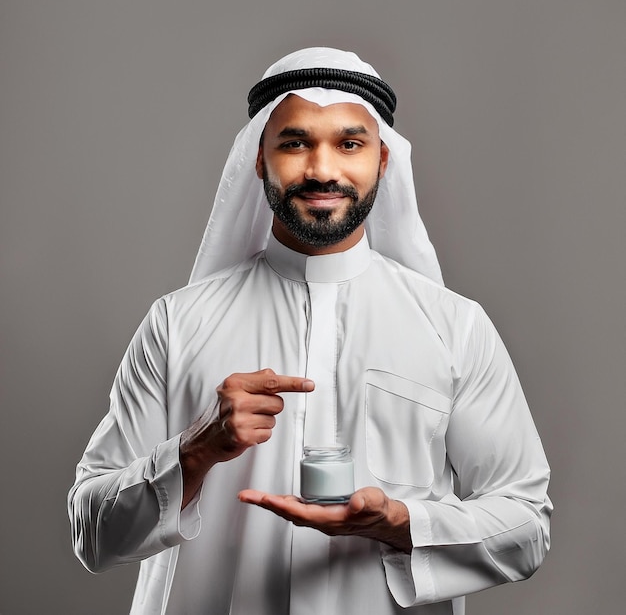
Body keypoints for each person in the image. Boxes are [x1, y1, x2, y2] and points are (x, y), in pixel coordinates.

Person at [68, 47, 551, 615]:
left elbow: (527, 526)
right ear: (258, 160)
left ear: (384, 161)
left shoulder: (455, 328)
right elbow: (91, 536)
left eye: (350, 144)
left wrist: (404, 524)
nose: (323, 169)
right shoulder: (177, 324)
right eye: (295, 143)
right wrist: (194, 453)